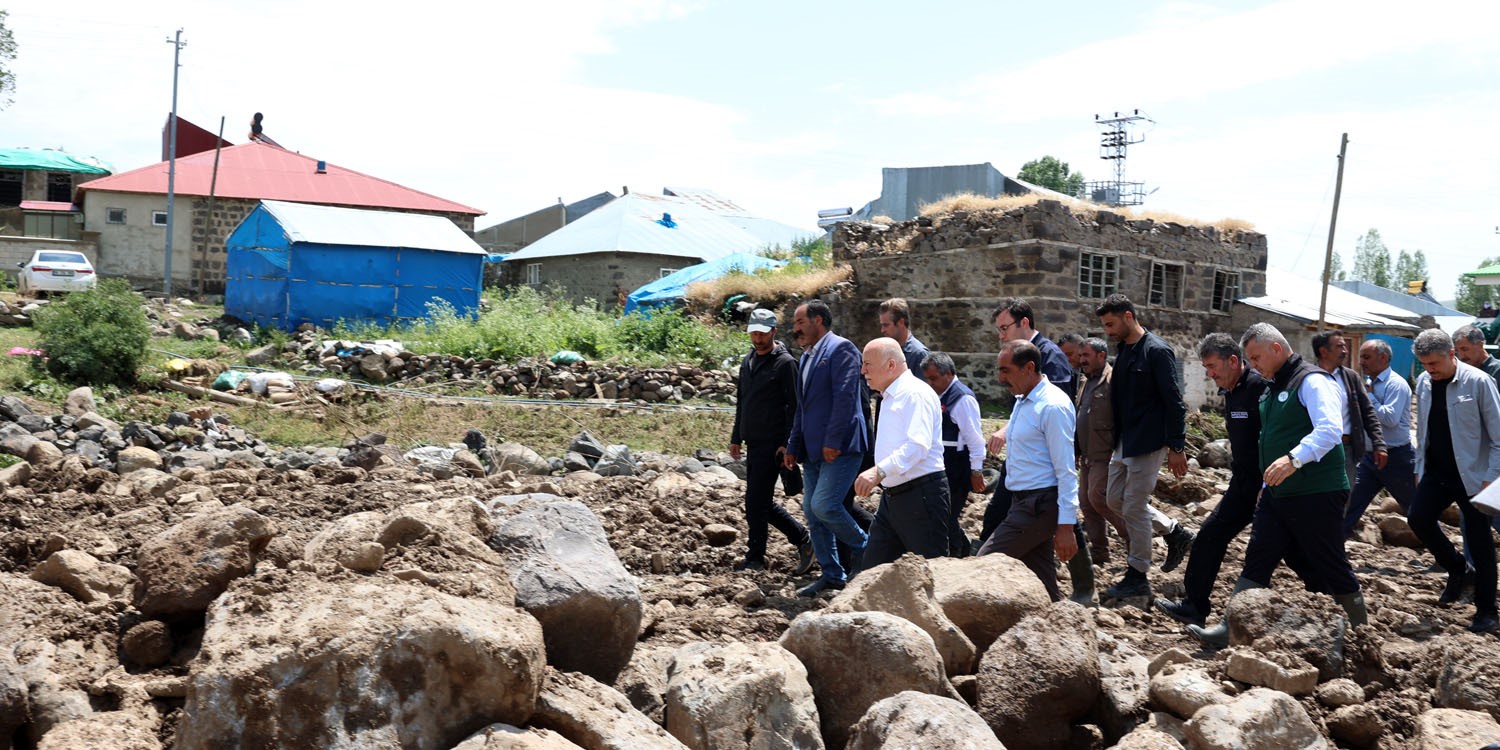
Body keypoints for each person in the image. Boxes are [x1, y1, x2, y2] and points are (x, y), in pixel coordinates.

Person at [1190, 323, 1368, 645]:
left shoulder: (1312, 381)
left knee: (1329, 561)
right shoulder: (1272, 387)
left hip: (1317, 490)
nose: (1253, 365)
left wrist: (1293, 459)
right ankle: (1228, 628)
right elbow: (1266, 438)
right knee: (1258, 556)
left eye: (1256, 357)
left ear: (1276, 348)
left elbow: (1330, 430)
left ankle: (1361, 631)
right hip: (1277, 491)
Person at [1155, 334, 1274, 627]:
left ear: (1233, 361)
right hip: (1242, 484)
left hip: (1269, 487)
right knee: (1209, 536)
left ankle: (1334, 600)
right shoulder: (1230, 391)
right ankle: (1195, 606)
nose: (1209, 374)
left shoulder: (1261, 389)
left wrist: (1266, 486)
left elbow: (1274, 440)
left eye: (1212, 366)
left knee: (1292, 553)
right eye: (1205, 367)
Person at [984, 298, 1095, 604]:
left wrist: (1066, 526)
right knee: (1045, 586)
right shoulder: (1023, 397)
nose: (1000, 378)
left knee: (984, 566)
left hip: (1039, 503)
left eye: (1005, 371)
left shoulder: (1052, 402)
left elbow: (1065, 468)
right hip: (1025, 497)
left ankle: (1084, 590)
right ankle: (1062, 631)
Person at [1094, 294, 1195, 599]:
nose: (1108, 331)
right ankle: (1174, 531)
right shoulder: (1124, 349)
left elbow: (1174, 402)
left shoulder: (1157, 351)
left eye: (1111, 324)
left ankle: (1138, 575)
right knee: (1113, 500)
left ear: (1128, 316)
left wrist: (1177, 446)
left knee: (1135, 506)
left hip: (1149, 442)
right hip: (1124, 440)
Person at [1407, 329, 1500, 634]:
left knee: (1480, 541)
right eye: (1424, 364)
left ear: (1451, 354)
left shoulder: (1478, 382)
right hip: (1437, 473)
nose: (1429, 370)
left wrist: (1491, 478)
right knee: (1418, 518)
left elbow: (1499, 436)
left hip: (1474, 476)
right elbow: (1424, 430)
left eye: (1434, 363)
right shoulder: (1424, 383)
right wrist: (1420, 467)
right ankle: (1459, 569)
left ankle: (1487, 610)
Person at [784, 300, 870, 597]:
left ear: (818, 320)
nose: (795, 329)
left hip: (840, 446)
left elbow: (846, 397)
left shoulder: (841, 349)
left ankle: (865, 548)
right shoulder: (807, 357)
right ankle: (832, 573)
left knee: (825, 505)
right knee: (811, 509)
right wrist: (793, 445)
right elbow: (803, 409)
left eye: (799, 322)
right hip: (811, 449)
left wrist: (833, 440)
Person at [729, 309, 814, 574]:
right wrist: (736, 437)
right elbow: (743, 401)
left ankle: (757, 556)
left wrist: (789, 441)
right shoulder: (748, 361)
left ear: (774, 332)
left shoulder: (785, 363)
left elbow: (795, 406)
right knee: (759, 502)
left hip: (773, 444)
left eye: (762, 333)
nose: (757, 338)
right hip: (753, 442)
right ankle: (801, 539)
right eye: (754, 333)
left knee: (755, 502)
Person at [853, 338, 951, 566]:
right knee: (872, 574)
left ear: (890, 365)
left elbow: (918, 445)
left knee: (932, 572)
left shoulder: (915, 394)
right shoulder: (889, 395)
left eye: (868, 364)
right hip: (894, 498)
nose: (862, 370)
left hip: (922, 497)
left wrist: (879, 471)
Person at [1341, 338, 1417, 538]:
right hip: (1369, 457)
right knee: (1349, 505)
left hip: (1396, 458)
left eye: (1366, 357)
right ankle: (1330, 552)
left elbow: (1390, 419)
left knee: (1418, 512)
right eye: (1361, 357)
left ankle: (1445, 554)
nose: (1361, 362)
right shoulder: (1368, 383)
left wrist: (1369, 397)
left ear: (1383, 358)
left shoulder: (1396, 384)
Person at [920, 351, 987, 556]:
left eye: (933, 378)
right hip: (940, 465)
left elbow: (975, 440)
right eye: (927, 379)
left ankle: (960, 550)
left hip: (956, 468)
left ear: (948, 374)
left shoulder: (962, 399)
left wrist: (976, 471)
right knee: (937, 514)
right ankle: (961, 548)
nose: (929, 384)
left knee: (946, 515)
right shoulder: (937, 395)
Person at [1075, 337, 1129, 564]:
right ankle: (1099, 553)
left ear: (1101, 356)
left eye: (1086, 356)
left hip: (1106, 453)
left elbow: (1124, 417)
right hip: (1087, 454)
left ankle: (1133, 537)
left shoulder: (1114, 380)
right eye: (1081, 356)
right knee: (1086, 502)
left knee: (1099, 498)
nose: (1082, 360)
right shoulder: (1085, 380)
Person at [1312, 331, 1387, 489]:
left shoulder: (1351, 378)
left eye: (1345, 346)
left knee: (1344, 497)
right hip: (1315, 451)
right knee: (1316, 498)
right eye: (1339, 346)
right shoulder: (1307, 377)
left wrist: (1378, 444)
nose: (1345, 351)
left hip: (1345, 450)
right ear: (1323, 351)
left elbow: (1368, 412)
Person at [878, 298, 930, 373]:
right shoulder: (887, 352)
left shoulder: (919, 355)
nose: (882, 330)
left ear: (901, 322)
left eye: (886, 325)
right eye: (882, 325)